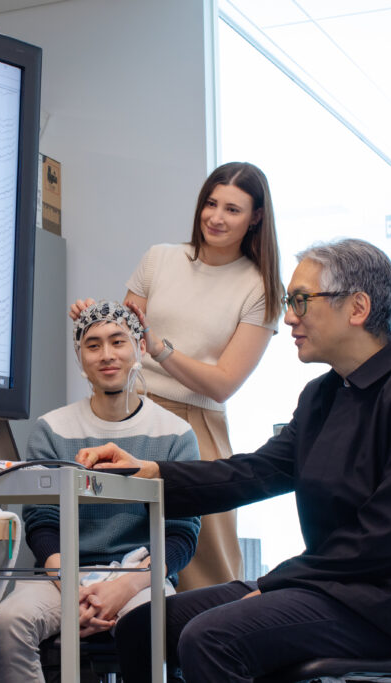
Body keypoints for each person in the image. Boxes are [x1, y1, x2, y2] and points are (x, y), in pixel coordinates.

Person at [77, 239, 391, 682]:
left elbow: (385, 538)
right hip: (330, 585)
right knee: (143, 627)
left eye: (301, 301)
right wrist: (152, 473)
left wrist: (275, 584)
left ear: (358, 308)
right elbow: (254, 472)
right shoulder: (323, 395)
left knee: (211, 637)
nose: (289, 317)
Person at [71, 161, 284, 590]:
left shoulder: (260, 288)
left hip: (196, 426)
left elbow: (223, 383)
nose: (216, 217)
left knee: (205, 570)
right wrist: (93, 320)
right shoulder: (160, 259)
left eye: (232, 209)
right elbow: (126, 340)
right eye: (211, 203)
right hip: (130, 416)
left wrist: (161, 349)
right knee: (116, 548)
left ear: (256, 217)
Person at [0, 300, 200, 683]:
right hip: (62, 575)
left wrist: (126, 585)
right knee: (9, 620)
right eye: (93, 345)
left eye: (118, 341)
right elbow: (41, 521)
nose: (106, 355)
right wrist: (73, 588)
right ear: (80, 357)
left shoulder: (174, 434)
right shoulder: (52, 430)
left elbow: (182, 534)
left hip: (140, 577)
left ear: (139, 348)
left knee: (152, 624)